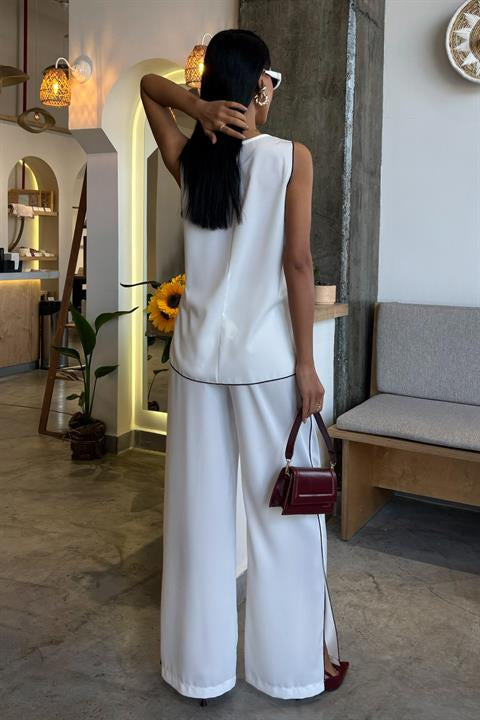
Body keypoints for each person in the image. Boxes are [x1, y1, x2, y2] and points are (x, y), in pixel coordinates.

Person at [140, 28, 348, 704]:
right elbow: (298, 264)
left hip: (196, 364)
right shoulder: (290, 158)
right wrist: (307, 366)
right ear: (260, 87)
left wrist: (195, 109)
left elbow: (148, 87)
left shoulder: (188, 162)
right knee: (285, 518)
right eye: (271, 82)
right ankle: (291, 670)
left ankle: (197, 671)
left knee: (198, 522)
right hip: (264, 365)